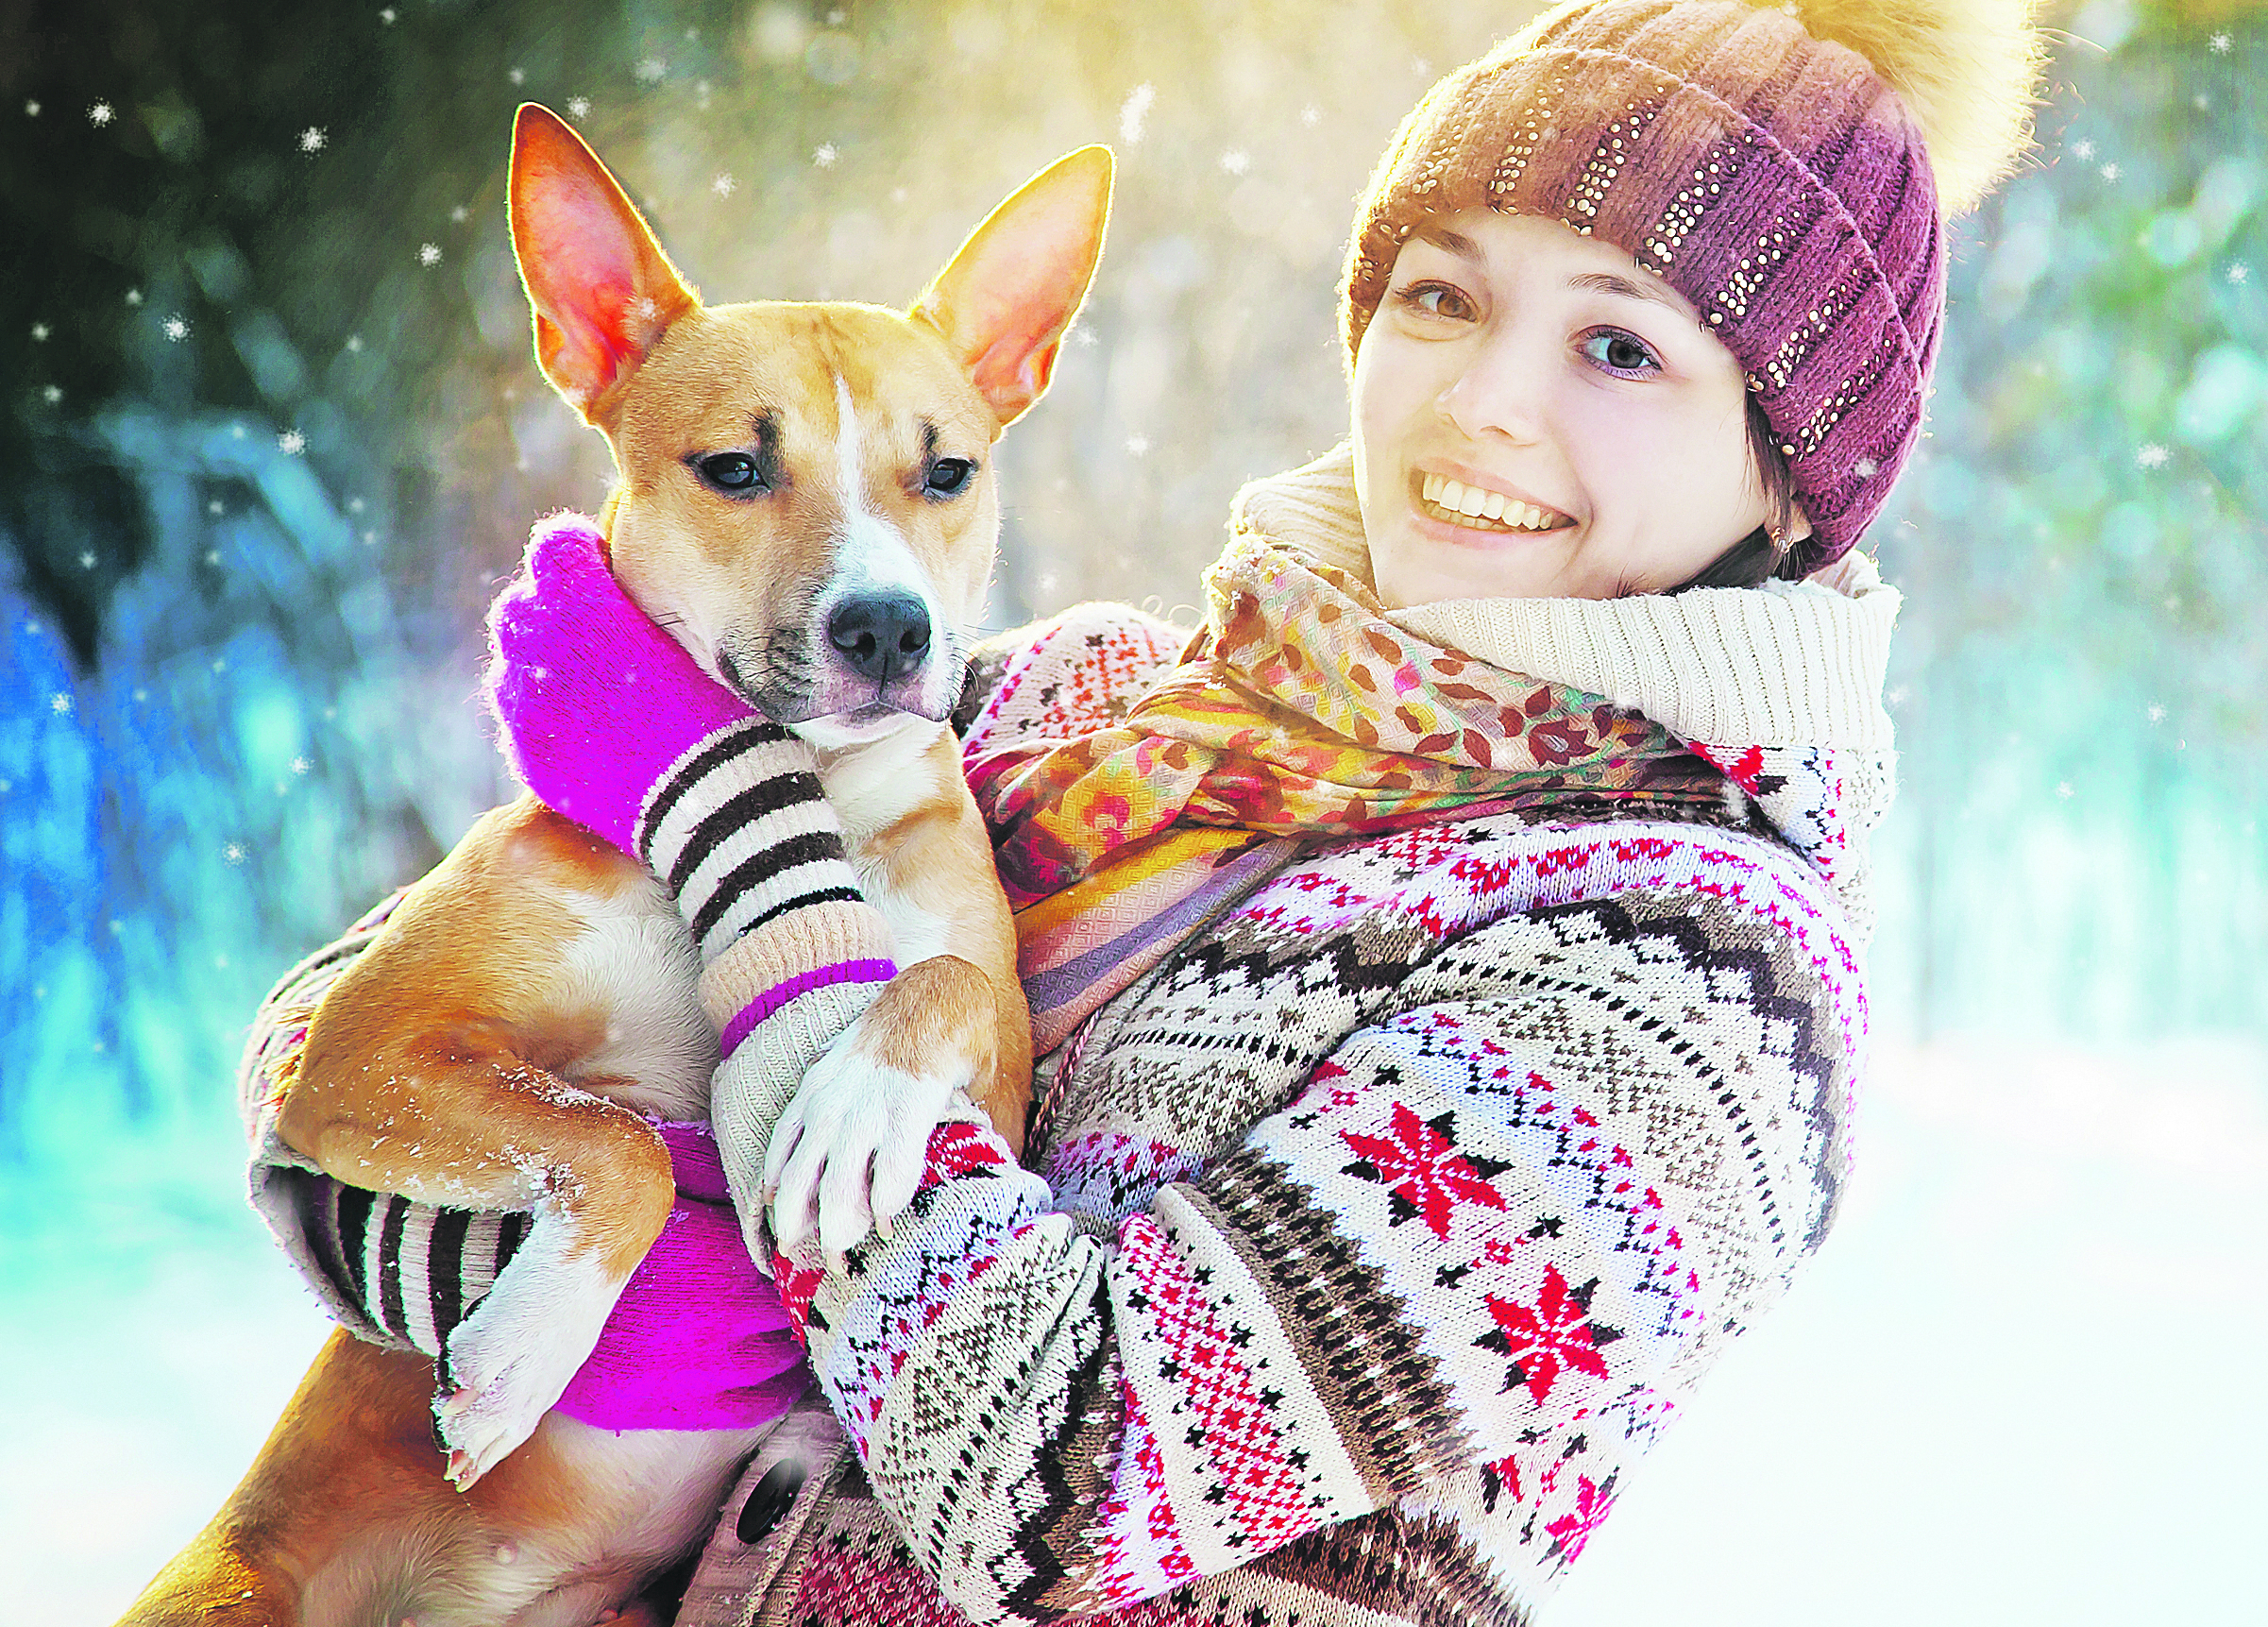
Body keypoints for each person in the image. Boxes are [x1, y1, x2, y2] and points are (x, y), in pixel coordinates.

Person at [235, 0, 2042, 1619]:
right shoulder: (1074, 697)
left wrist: (729, 834)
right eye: (1442, 294)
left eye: (1622, 347)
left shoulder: (1696, 989)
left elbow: (1061, 1480)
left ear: (1795, 468)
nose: (1483, 403)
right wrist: (553, 1259)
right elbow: (328, 1062)